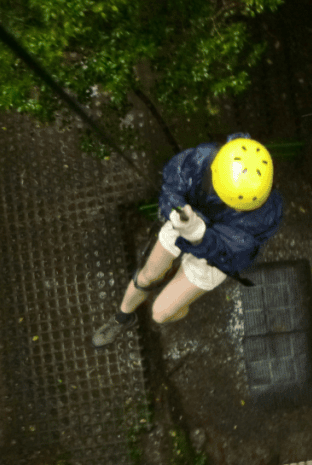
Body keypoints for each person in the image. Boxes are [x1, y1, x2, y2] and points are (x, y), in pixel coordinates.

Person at [92, 133, 284, 347]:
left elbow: (232, 258)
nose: (239, 209)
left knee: (160, 313)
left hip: (214, 256)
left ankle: (181, 300)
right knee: (147, 276)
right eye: (232, 202)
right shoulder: (203, 160)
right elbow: (171, 188)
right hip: (188, 219)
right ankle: (123, 317)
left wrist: (199, 237)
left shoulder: (263, 217)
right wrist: (176, 210)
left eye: (244, 206)